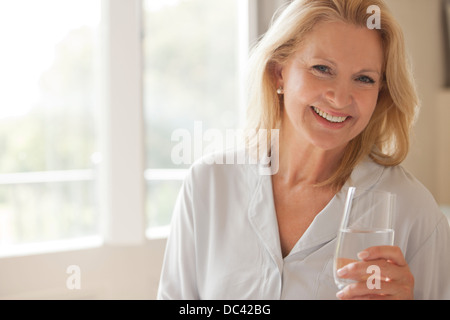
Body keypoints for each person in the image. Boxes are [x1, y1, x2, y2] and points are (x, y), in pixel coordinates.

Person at [157, 0, 450, 299]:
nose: (339, 98)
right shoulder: (209, 184)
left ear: (381, 92)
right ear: (278, 73)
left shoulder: (414, 213)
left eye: (364, 78)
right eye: (322, 69)